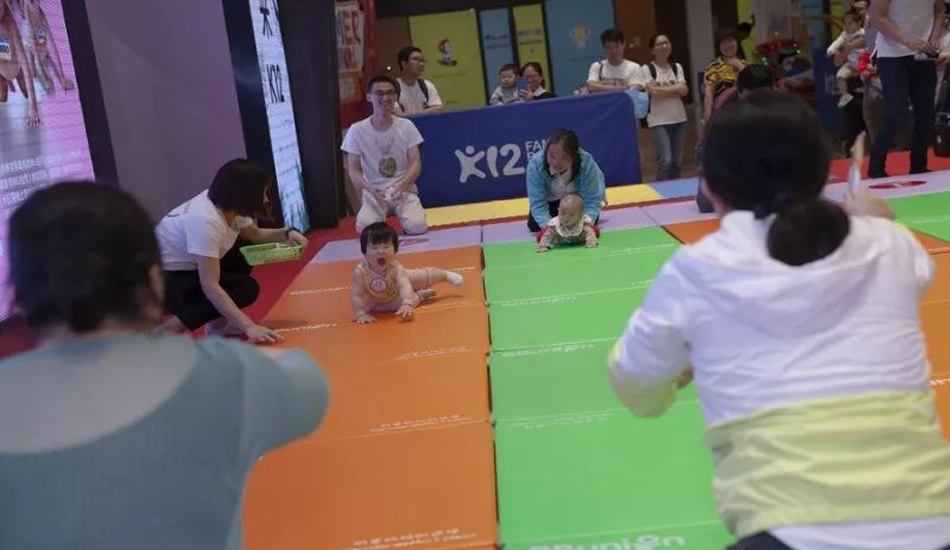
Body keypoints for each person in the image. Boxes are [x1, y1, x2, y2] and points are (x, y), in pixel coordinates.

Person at [609, 91, 950, 550]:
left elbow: (635, 386)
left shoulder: (699, 268)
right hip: (933, 523)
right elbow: (900, 270)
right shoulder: (888, 244)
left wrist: (677, 376)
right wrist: (881, 223)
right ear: (822, 172)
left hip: (788, 533)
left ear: (710, 187)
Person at [0, 182, 329, 550]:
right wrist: (254, 363)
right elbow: (310, 388)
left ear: (19, 297)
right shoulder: (226, 375)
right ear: (155, 282)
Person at [155, 159, 308, 343]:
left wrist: (289, 232)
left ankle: (217, 325)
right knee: (245, 288)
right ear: (246, 193)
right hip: (166, 282)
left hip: (182, 269)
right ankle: (171, 328)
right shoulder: (206, 221)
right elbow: (210, 285)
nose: (266, 199)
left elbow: (255, 234)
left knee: (241, 250)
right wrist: (249, 326)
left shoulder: (228, 206)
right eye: (263, 192)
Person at [342, 75, 428, 236]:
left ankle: (409, 216)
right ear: (369, 97)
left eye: (390, 93)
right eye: (379, 93)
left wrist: (403, 185)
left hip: (404, 190)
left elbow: (416, 163)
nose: (385, 98)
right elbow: (353, 169)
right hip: (374, 193)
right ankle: (380, 224)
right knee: (366, 229)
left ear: (396, 97)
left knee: (417, 227)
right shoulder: (357, 130)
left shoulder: (406, 126)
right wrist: (369, 188)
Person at [868, 0, 945, 178]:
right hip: (892, 54)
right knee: (897, 111)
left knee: (926, 113)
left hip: (923, 53)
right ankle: (876, 166)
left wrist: (934, 37)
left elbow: (940, 10)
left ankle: (919, 166)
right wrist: (906, 40)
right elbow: (876, 16)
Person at [695, 64, 774, 213]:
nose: (757, 101)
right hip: (720, 147)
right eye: (752, 96)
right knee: (707, 204)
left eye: (763, 96)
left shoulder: (779, 101)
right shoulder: (726, 102)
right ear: (740, 90)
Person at [351, 222, 463, 324]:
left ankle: (445, 275)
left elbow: (404, 286)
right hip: (378, 300)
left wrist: (407, 304)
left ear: (395, 250)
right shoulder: (360, 272)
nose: (381, 251)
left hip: (402, 281)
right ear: (364, 252)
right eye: (374, 247)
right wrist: (360, 313)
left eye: (386, 247)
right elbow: (356, 295)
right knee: (386, 308)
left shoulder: (396, 268)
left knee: (422, 276)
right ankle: (421, 295)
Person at [526, 128, 605, 232]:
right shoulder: (536, 164)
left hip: (578, 200)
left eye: (564, 158)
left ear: (574, 156)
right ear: (546, 150)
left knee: (585, 221)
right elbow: (538, 204)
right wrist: (551, 229)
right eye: (552, 156)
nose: (556, 163)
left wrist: (585, 225)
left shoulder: (586, 162)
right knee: (534, 225)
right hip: (552, 202)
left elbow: (592, 201)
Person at [642, 34, 689, 182]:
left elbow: (684, 90)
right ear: (652, 50)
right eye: (660, 44)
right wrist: (674, 90)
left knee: (676, 162)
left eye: (666, 43)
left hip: (679, 118)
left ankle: (676, 190)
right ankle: (660, 191)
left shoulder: (676, 67)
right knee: (666, 161)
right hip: (658, 120)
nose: (664, 46)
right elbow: (653, 92)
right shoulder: (647, 69)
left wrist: (661, 90)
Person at [703, 30, 747, 124]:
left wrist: (740, 67)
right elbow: (709, 93)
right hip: (724, 114)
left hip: (746, 112)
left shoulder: (746, 64)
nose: (728, 45)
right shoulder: (714, 66)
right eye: (723, 43)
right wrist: (708, 118)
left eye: (730, 41)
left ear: (737, 43)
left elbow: (753, 84)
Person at [828, 10, 867, 107]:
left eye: (850, 24)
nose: (847, 26)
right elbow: (836, 45)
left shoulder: (864, 32)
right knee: (840, 76)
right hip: (850, 65)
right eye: (845, 24)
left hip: (864, 62)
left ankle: (867, 88)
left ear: (859, 23)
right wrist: (831, 50)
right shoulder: (844, 35)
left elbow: (868, 41)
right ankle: (845, 95)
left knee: (866, 75)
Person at [586, 28, 644, 93]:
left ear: (623, 45)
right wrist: (619, 88)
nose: (613, 51)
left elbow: (634, 88)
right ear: (604, 48)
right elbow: (591, 86)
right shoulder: (597, 66)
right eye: (608, 47)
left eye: (617, 46)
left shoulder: (634, 67)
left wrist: (602, 87)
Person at [394, 46, 443, 116]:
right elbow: (398, 115)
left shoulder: (426, 85)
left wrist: (409, 114)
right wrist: (428, 111)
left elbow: (438, 108)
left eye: (422, 61)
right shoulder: (393, 87)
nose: (421, 64)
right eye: (415, 59)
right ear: (404, 64)